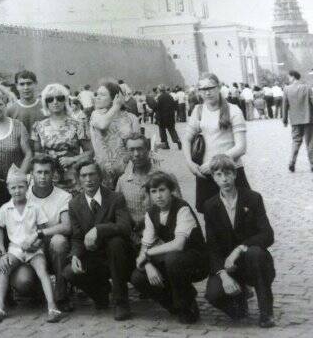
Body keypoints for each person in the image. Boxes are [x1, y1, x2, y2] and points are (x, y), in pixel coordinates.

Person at [203, 155, 275, 328]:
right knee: (213, 295)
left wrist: (240, 249)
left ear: (235, 174)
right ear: (213, 178)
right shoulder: (210, 206)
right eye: (219, 175)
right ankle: (240, 301)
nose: (224, 179)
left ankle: (266, 313)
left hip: (252, 262)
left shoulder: (253, 198)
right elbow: (211, 246)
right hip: (227, 265)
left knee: (255, 252)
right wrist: (223, 275)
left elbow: (267, 234)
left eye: (228, 173)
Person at [130, 171, 207, 324]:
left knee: (173, 258)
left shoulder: (182, 208)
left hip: (197, 260)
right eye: (154, 191)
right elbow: (145, 246)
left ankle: (185, 305)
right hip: (173, 260)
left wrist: (148, 254)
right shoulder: (151, 213)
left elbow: (178, 244)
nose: (158, 196)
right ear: (150, 194)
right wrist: (148, 263)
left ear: (171, 190)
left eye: (162, 190)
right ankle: (175, 304)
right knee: (138, 277)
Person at [62, 159, 134, 321]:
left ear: (100, 176)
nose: (88, 179)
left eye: (92, 174)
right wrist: (75, 255)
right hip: (93, 256)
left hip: (118, 257)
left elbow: (125, 227)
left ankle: (121, 301)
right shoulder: (74, 204)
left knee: (116, 242)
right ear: (79, 179)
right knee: (69, 272)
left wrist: (98, 229)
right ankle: (100, 294)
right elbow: (77, 236)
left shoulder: (115, 198)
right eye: (84, 175)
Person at [0, 168, 62, 323]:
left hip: (34, 249)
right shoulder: (5, 208)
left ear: (27, 187)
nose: (17, 191)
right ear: (8, 189)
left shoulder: (34, 207)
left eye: (21, 187)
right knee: (4, 268)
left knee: (42, 269)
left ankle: (52, 307)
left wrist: (37, 244)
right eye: (13, 188)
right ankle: (0, 307)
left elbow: (43, 229)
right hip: (15, 249)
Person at [12, 156, 74, 312]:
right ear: (31, 174)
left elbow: (66, 226)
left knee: (59, 241)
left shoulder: (63, 196)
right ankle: (37, 291)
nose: (43, 176)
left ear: (53, 173)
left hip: (53, 249)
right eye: (39, 172)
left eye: (47, 172)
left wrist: (40, 233)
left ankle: (61, 294)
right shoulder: (23, 194)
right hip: (30, 250)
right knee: (22, 282)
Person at [183, 72, 249, 212]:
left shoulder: (233, 110)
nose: (207, 92)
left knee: (239, 215)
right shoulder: (198, 110)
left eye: (211, 88)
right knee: (211, 217)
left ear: (218, 87)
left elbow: (241, 147)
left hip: (230, 171)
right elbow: (187, 139)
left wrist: (213, 164)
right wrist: (190, 163)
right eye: (203, 89)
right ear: (199, 91)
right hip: (206, 174)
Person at [31, 83, 93, 193]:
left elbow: (90, 152)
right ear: (46, 103)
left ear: (65, 101)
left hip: (73, 179)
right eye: (50, 99)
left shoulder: (78, 125)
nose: (55, 102)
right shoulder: (38, 126)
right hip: (48, 180)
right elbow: (36, 154)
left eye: (59, 98)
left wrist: (73, 159)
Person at [89, 81, 140, 189]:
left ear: (115, 97)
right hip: (103, 173)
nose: (97, 97)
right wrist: (116, 106)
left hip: (127, 172)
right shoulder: (96, 115)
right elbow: (103, 125)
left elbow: (137, 144)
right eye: (97, 94)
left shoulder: (131, 118)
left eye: (102, 95)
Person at [115, 133, 160, 245]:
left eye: (140, 149)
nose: (136, 154)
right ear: (127, 152)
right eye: (132, 150)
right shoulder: (123, 181)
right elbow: (117, 213)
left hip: (159, 236)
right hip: (131, 238)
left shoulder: (162, 177)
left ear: (148, 149)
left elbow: (177, 209)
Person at [282, 70, 313, 172]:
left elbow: (285, 106)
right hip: (308, 119)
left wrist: (285, 119)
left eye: (289, 77)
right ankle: (312, 164)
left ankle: (292, 162)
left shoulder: (286, 89)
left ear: (293, 77)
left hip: (295, 120)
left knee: (296, 141)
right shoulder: (307, 87)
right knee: (310, 142)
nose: (288, 79)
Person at [6, 70, 45, 135]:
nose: (26, 87)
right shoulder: (10, 110)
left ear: (35, 84)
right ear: (16, 86)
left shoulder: (45, 107)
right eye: (22, 84)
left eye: (29, 83)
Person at [155, 85, 181, 150]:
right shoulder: (170, 96)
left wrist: (157, 117)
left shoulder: (159, 97)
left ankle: (165, 145)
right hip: (170, 117)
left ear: (159, 90)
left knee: (162, 131)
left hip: (162, 118)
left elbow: (158, 108)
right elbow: (174, 106)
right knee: (172, 130)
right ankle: (177, 141)